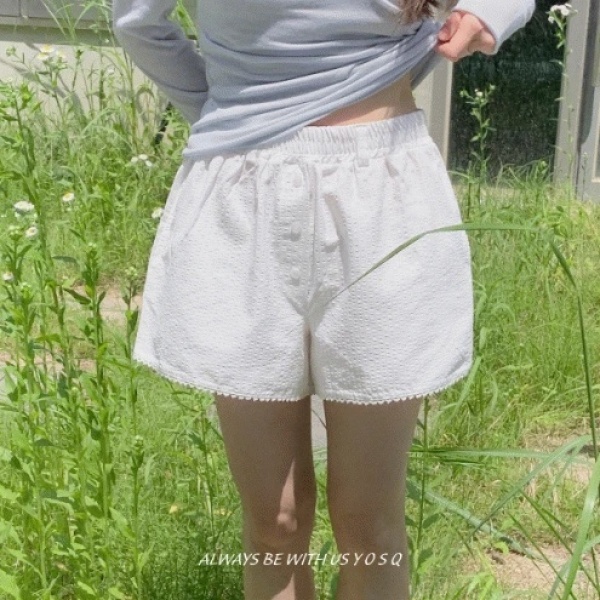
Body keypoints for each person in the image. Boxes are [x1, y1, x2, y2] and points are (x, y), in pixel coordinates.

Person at [112, 1, 536, 598]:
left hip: (380, 191)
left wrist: (489, 10)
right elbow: (137, 20)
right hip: (247, 192)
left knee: (357, 521)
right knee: (285, 520)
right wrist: (227, 114)